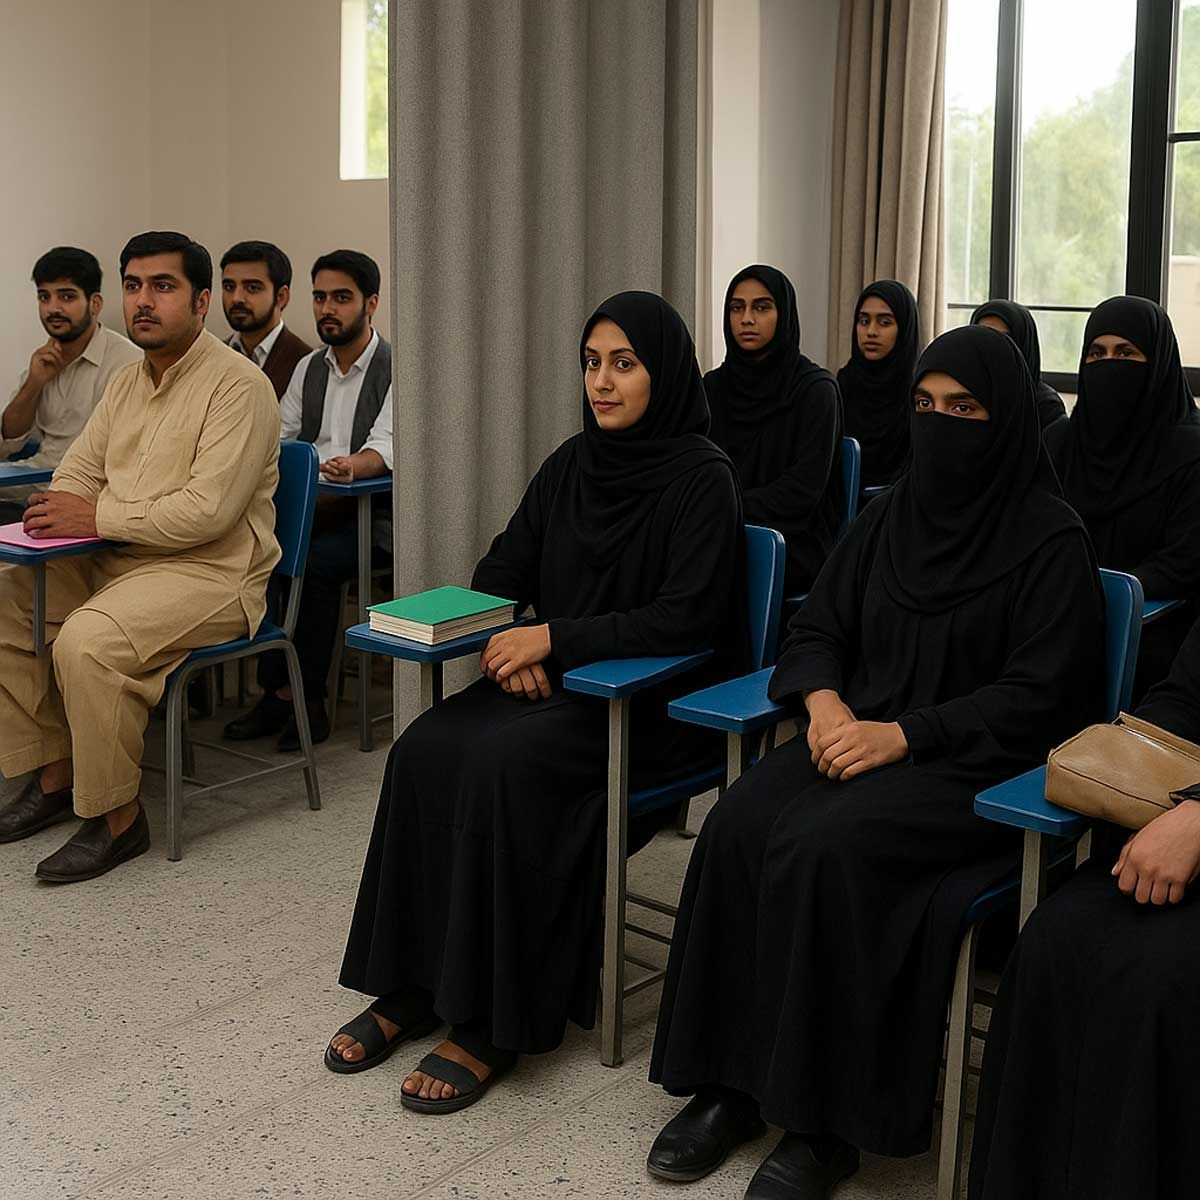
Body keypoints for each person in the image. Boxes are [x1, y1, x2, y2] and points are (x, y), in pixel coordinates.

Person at [646, 325, 1105, 1200]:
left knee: (829, 850)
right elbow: (818, 626)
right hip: (855, 733)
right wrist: (824, 703)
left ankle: (826, 1126)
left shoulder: (1051, 540)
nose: (940, 425)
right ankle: (731, 1083)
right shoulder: (892, 511)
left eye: (964, 409)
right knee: (739, 822)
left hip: (968, 766)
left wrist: (904, 735)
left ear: (1004, 420)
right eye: (925, 406)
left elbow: (1038, 700)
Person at [327, 292, 745, 1115]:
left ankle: (492, 1022)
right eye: (592, 363)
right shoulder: (570, 463)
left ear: (662, 371)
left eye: (624, 364)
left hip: (642, 705)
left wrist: (553, 641)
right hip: (554, 683)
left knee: (499, 769)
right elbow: (499, 570)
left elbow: (685, 617)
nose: (603, 381)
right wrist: (506, 641)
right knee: (422, 751)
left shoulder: (704, 477)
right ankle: (415, 983)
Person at [0, 231, 280, 883]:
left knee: (87, 643)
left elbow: (206, 513)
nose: (143, 301)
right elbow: (77, 471)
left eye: (163, 286)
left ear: (202, 300)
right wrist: (62, 509)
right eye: (133, 286)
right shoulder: (127, 383)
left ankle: (117, 819)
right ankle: (53, 773)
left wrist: (92, 514)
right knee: (9, 602)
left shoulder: (240, 387)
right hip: (118, 559)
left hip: (212, 573)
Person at [969, 615, 1200, 1200]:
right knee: (1057, 938)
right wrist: (1136, 763)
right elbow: (1182, 698)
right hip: (1177, 821)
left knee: (1160, 981)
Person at [223, 249, 392, 750]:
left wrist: (355, 465)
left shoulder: (394, 365)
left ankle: (306, 700)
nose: (327, 309)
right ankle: (277, 692)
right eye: (320, 297)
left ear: (371, 303)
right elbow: (278, 433)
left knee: (312, 565)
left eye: (342, 298)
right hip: (313, 511)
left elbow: (388, 443)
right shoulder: (307, 367)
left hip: (373, 520)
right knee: (264, 549)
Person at [1046, 296, 1200, 697]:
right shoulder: (1060, 443)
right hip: (1048, 619)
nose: (1109, 364)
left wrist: (1104, 594)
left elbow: (1185, 561)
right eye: (1096, 353)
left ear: (1159, 362)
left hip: (1155, 630)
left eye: (1126, 353)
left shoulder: (1191, 453)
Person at [704, 265, 842, 595]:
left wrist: (723, 508)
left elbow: (802, 492)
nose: (747, 319)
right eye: (737, 308)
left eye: (762, 307)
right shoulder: (712, 388)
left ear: (784, 314)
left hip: (793, 539)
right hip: (721, 529)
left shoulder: (815, 390)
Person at [0, 247, 140, 522]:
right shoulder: (44, 360)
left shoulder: (127, 364)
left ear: (95, 303)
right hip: (25, 490)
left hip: (77, 502)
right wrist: (34, 383)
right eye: (44, 296)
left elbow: (121, 464)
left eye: (66, 296)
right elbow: (8, 445)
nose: (53, 308)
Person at [836, 279, 920, 489]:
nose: (871, 332)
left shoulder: (919, 392)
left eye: (884, 322)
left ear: (904, 328)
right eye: (864, 321)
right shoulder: (844, 382)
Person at [219, 240, 312, 399]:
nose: (237, 298)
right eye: (229, 287)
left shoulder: (306, 363)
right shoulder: (214, 355)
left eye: (252, 288)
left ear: (281, 297)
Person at [971, 298, 1067, 429]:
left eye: (1004, 339)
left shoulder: (1045, 406)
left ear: (1022, 345)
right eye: (983, 337)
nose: (991, 346)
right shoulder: (965, 395)